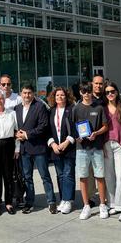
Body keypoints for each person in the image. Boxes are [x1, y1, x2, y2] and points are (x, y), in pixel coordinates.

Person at [14, 84, 55, 214]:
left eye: (29, 93)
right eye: (24, 93)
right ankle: (29, 202)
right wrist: (17, 134)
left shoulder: (40, 107)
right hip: (24, 150)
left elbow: (43, 126)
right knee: (27, 177)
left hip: (38, 149)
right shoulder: (17, 108)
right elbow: (15, 127)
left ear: (33, 94)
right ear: (21, 93)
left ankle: (51, 202)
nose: (27, 95)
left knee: (45, 176)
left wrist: (26, 134)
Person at [72, 83, 110, 220]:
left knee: (100, 176)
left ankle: (102, 204)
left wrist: (96, 133)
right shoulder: (76, 109)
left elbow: (106, 126)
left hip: (97, 147)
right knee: (83, 176)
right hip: (82, 149)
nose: (87, 93)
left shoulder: (99, 108)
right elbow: (73, 128)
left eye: (89, 91)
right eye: (84, 91)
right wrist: (78, 138)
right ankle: (86, 205)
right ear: (80, 93)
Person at [102, 82, 121, 222]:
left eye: (112, 91)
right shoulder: (103, 108)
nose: (110, 94)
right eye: (107, 92)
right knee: (109, 176)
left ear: (117, 92)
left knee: (120, 176)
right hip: (107, 145)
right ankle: (113, 203)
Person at [47, 87, 77, 215]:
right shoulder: (51, 111)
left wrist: (67, 142)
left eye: (62, 95)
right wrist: (52, 144)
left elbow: (76, 128)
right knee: (60, 175)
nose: (60, 97)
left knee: (68, 174)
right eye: (57, 95)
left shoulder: (72, 110)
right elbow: (47, 129)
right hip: (55, 148)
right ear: (54, 97)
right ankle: (63, 200)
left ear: (67, 97)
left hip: (68, 147)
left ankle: (68, 200)